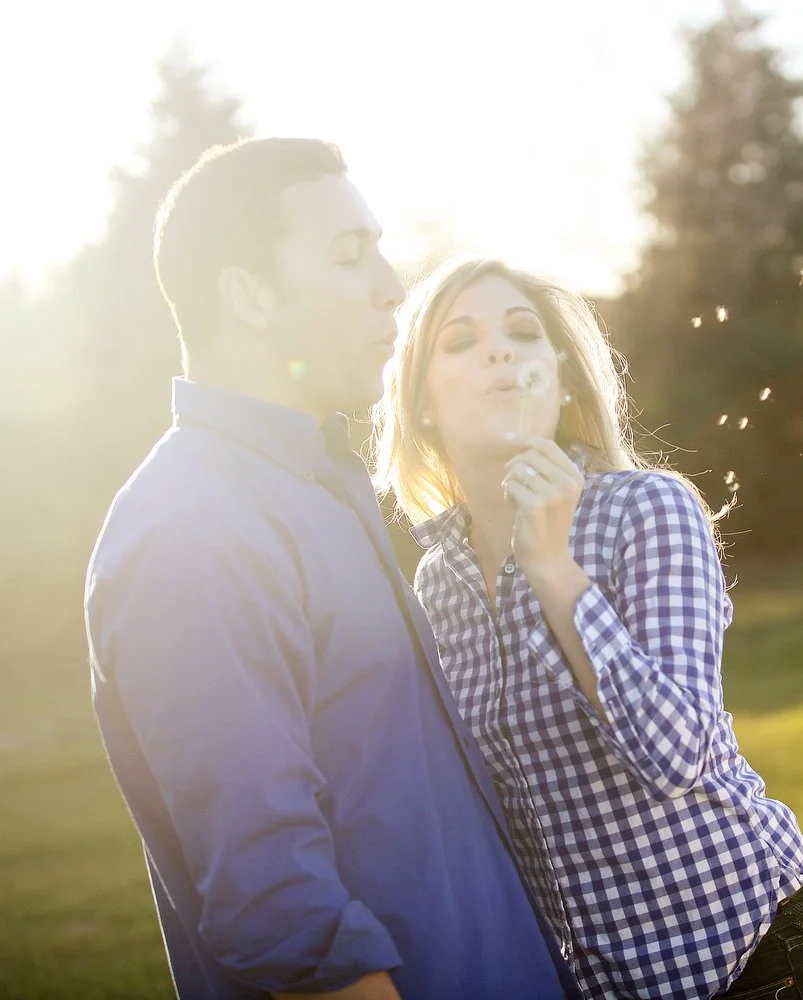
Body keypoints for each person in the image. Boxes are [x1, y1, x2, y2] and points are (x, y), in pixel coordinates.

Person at [85, 141, 579, 1000]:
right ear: (248, 296)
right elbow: (281, 916)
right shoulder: (193, 531)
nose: (393, 286)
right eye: (351, 256)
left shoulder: (319, 488)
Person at [374, 257, 803, 1000]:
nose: (498, 351)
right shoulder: (437, 583)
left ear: (563, 381)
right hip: (596, 984)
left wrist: (551, 567)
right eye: (459, 341)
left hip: (749, 958)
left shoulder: (649, 510)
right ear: (422, 404)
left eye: (522, 332)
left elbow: (677, 755)